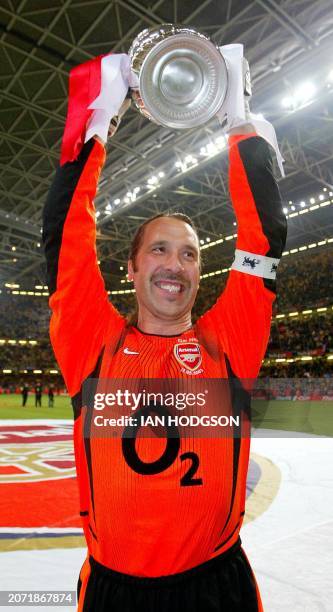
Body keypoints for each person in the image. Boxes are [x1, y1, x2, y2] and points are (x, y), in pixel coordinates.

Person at [43, 54, 286, 612]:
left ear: (201, 271)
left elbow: (264, 238)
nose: (175, 265)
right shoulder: (92, 346)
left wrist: (236, 117)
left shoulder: (229, 341)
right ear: (130, 268)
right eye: (159, 249)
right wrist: (99, 118)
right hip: (115, 592)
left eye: (190, 255)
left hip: (216, 586)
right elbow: (65, 242)